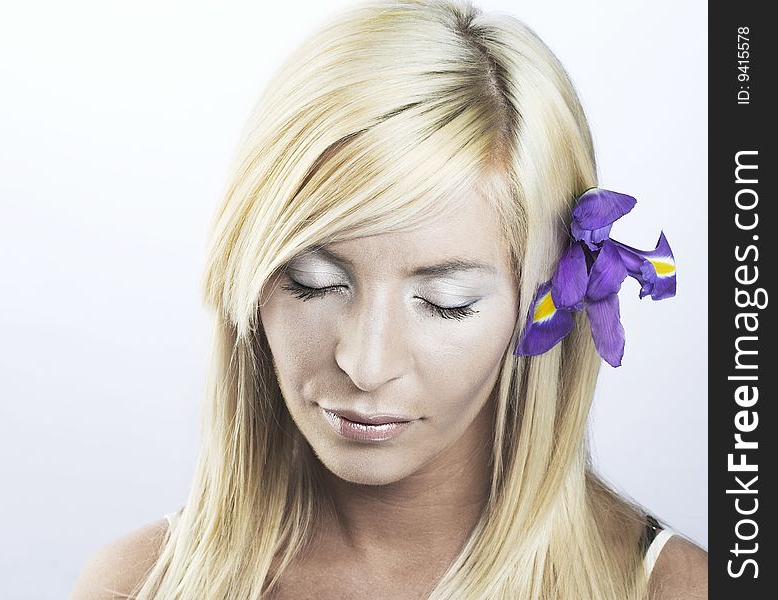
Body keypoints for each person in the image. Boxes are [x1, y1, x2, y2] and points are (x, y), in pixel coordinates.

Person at [70, 1, 707, 598]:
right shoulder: (137, 585)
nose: (367, 365)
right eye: (313, 283)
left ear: (544, 299)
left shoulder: (676, 588)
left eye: (446, 301)